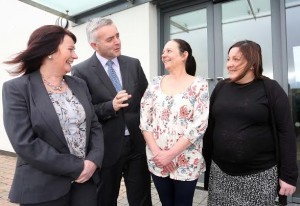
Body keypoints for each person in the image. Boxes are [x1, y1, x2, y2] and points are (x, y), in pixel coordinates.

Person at [2, 25, 104, 206]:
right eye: (70, 49)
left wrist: (93, 161)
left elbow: (94, 125)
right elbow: (25, 142)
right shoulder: (17, 89)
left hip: (85, 184)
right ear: (50, 51)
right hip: (43, 187)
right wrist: (78, 167)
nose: (75, 56)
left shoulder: (79, 84)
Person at [203, 40, 298, 206]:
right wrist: (204, 160)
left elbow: (286, 132)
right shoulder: (220, 87)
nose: (229, 65)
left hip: (259, 176)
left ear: (253, 63)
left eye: (236, 59)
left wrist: (288, 176)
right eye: (228, 59)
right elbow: (210, 127)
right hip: (220, 173)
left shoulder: (271, 89)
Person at [71, 17, 152, 206]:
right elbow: (84, 112)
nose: (117, 41)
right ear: (94, 45)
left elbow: (147, 102)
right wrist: (111, 106)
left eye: (117, 35)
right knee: (105, 199)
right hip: (106, 148)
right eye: (109, 39)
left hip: (137, 145)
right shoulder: (81, 71)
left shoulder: (133, 64)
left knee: (142, 199)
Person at [139, 39, 209, 206]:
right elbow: (144, 121)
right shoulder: (155, 83)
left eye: (169, 51)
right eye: (163, 52)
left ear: (184, 55)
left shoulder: (199, 85)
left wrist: (170, 155)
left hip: (186, 160)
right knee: (166, 203)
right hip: (157, 159)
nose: (164, 55)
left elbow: (199, 125)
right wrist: (159, 154)